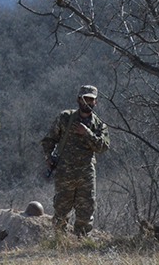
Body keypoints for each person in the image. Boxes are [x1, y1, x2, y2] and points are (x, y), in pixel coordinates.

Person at [41, 84, 110, 236]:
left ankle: (81, 242)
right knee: (61, 210)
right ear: (79, 99)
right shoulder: (66, 118)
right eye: (85, 99)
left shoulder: (98, 125)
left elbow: (103, 147)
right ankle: (59, 242)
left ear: (96, 102)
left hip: (86, 173)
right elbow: (49, 139)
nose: (88, 103)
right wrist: (49, 157)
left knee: (86, 210)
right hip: (65, 172)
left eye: (91, 100)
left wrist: (87, 133)